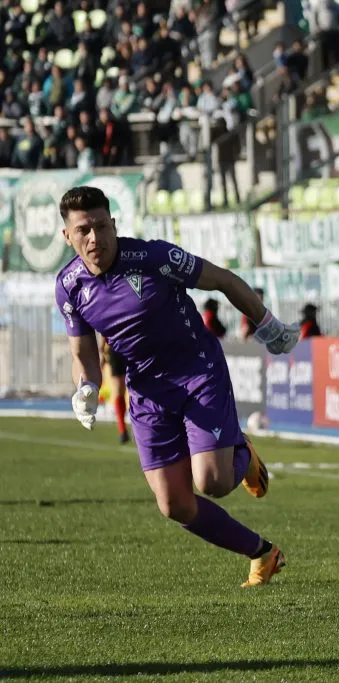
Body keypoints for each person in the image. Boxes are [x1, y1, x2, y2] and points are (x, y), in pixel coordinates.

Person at [54, 186, 299, 587]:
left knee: (213, 482)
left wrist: (267, 324)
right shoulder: (68, 286)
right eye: (83, 230)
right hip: (147, 390)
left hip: (197, 372)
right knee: (174, 504)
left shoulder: (153, 257)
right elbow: (83, 354)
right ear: (68, 236)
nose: (94, 238)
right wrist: (85, 389)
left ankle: (241, 450)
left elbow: (222, 279)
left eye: (101, 226)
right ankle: (263, 553)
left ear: (114, 225)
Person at [101, 337, 130, 444]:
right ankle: (123, 430)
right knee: (125, 389)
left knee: (120, 389)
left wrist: (101, 349)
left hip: (118, 346)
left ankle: (123, 431)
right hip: (125, 345)